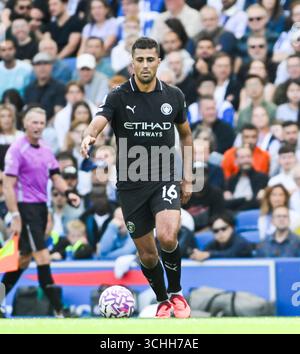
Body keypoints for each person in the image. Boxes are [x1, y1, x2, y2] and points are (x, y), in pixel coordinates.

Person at [80, 37, 193, 318]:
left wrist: (188, 176)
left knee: (167, 236)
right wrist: (89, 135)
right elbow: (100, 119)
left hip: (164, 175)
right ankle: (162, 300)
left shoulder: (174, 96)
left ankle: (177, 294)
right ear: (133, 62)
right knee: (147, 254)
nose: (144, 65)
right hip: (131, 183)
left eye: (150, 59)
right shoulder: (118, 95)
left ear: (158, 61)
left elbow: (187, 134)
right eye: (139, 60)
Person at [1, 106, 81, 318]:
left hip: (40, 208)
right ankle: (59, 309)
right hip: (25, 208)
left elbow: (55, 176)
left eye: (41, 123)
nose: (38, 127)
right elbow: (8, 185)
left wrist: (69, 192)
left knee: (23, 260)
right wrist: (15, 215)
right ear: (25, 124)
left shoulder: (46, 149)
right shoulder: (17, 149)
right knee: (43, 256)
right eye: (34, 122)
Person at [224, 146, 269, 211]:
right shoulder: (231, 180)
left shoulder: (262, 178)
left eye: (248, 157)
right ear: (236, 161)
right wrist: (246, 199)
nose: (246, 160)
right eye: (242, 157)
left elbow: (256, 203)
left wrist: (235, 201)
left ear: (252, 159)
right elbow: (226, 204)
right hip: (232, 214)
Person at [24, 52, 66, 121]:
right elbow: (26, 112)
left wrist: (44, 127)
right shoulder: (29, 89)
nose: (42, 67)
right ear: (33, 68)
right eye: (38, 64)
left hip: (51, 128)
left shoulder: (60, 87)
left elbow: (58, 114)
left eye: (46, 63)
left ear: (52, 66)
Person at [0, 104, 24, 171]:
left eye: (9, 116)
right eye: (2, 116)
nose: (6, 119)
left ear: (13, 118)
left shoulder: (21, 135)